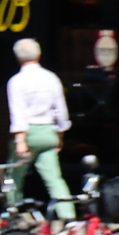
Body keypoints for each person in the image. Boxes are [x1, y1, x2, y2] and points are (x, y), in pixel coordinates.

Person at [5, 38, 74, 219]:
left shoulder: (16, 81)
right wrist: (60, 134)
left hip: (28, 133)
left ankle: (14, 213)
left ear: (17, 57)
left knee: (14, 176)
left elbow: (17, 113)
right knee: (54, 178)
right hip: (48, 132)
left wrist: (20, 140)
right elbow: (61, 110)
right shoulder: (51, 78)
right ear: (39, 54)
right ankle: (68, 216)